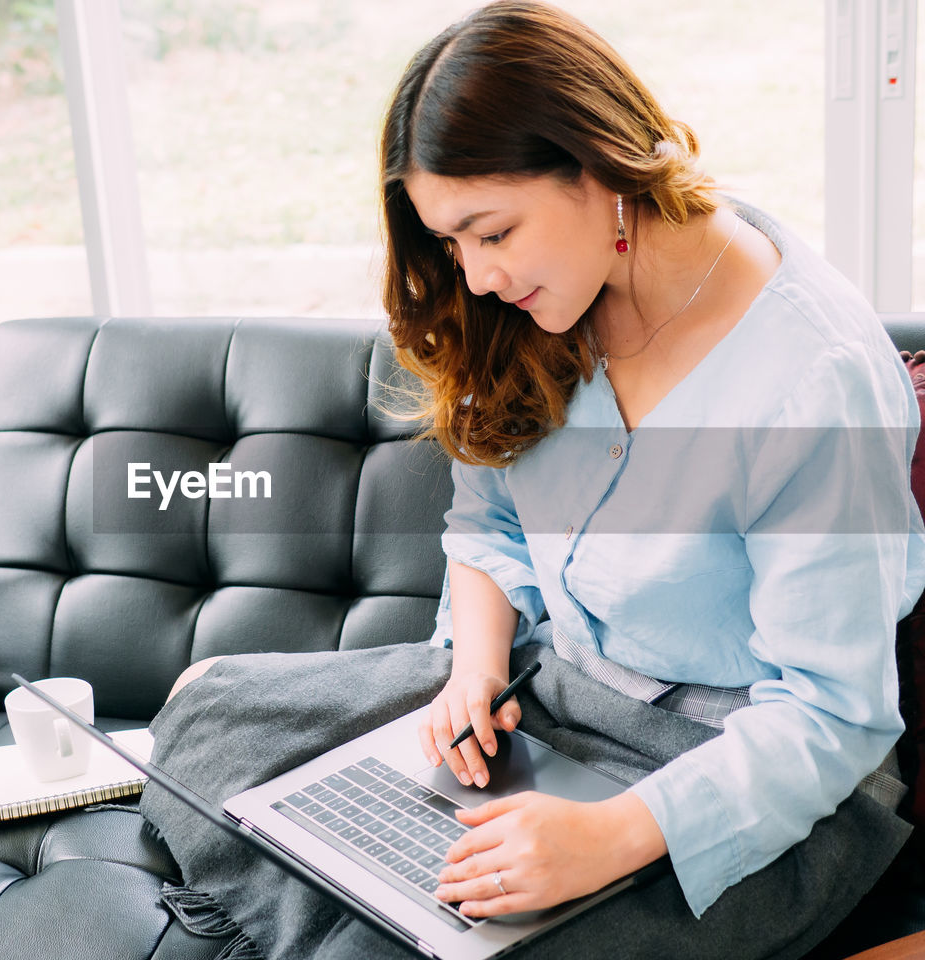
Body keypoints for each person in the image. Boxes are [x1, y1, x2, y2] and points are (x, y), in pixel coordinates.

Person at [143, 2, 925, 956]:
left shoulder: (814, 380)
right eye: (450, 244)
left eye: (494, 232)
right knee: (209, 722)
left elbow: (832, 716)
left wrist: (609, 838)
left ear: (597, 161)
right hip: (549, 693)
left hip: (731, 769)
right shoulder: (541, 306)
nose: (473, 279)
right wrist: (474, 671)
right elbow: (488, 525)